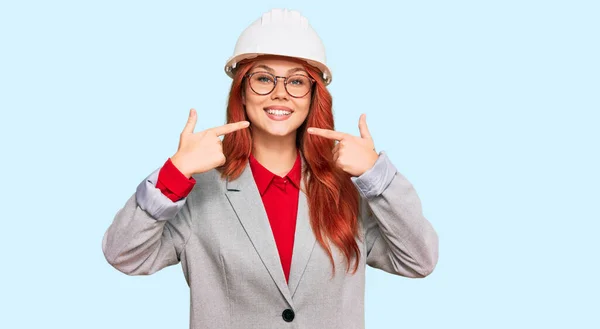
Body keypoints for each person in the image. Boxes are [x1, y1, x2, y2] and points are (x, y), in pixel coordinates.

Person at [102, 8, 438, 329]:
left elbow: (418, 260)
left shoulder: (351, 190)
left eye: (296, 82)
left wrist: (376, 176)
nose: (280, 94)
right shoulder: (195, 191)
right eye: (264, 79)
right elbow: (124, 255)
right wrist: (176, 172)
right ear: (243, 92)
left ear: (311, 97)